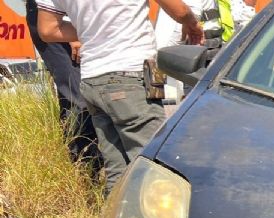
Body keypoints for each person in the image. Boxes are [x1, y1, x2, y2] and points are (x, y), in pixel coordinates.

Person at [35, 0, 204, 192]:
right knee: (153, 162)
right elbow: (180, 11)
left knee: (117, 168)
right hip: (138, 67)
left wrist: (92, 31)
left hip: (93, 75)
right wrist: (193, 24)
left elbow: (47, 30)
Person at [24, 0, 100, 167]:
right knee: (78, 99)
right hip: (57, 17)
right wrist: (73, 32)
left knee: (96, 93)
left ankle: (96, 170)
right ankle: (85, 171)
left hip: (81, 17)